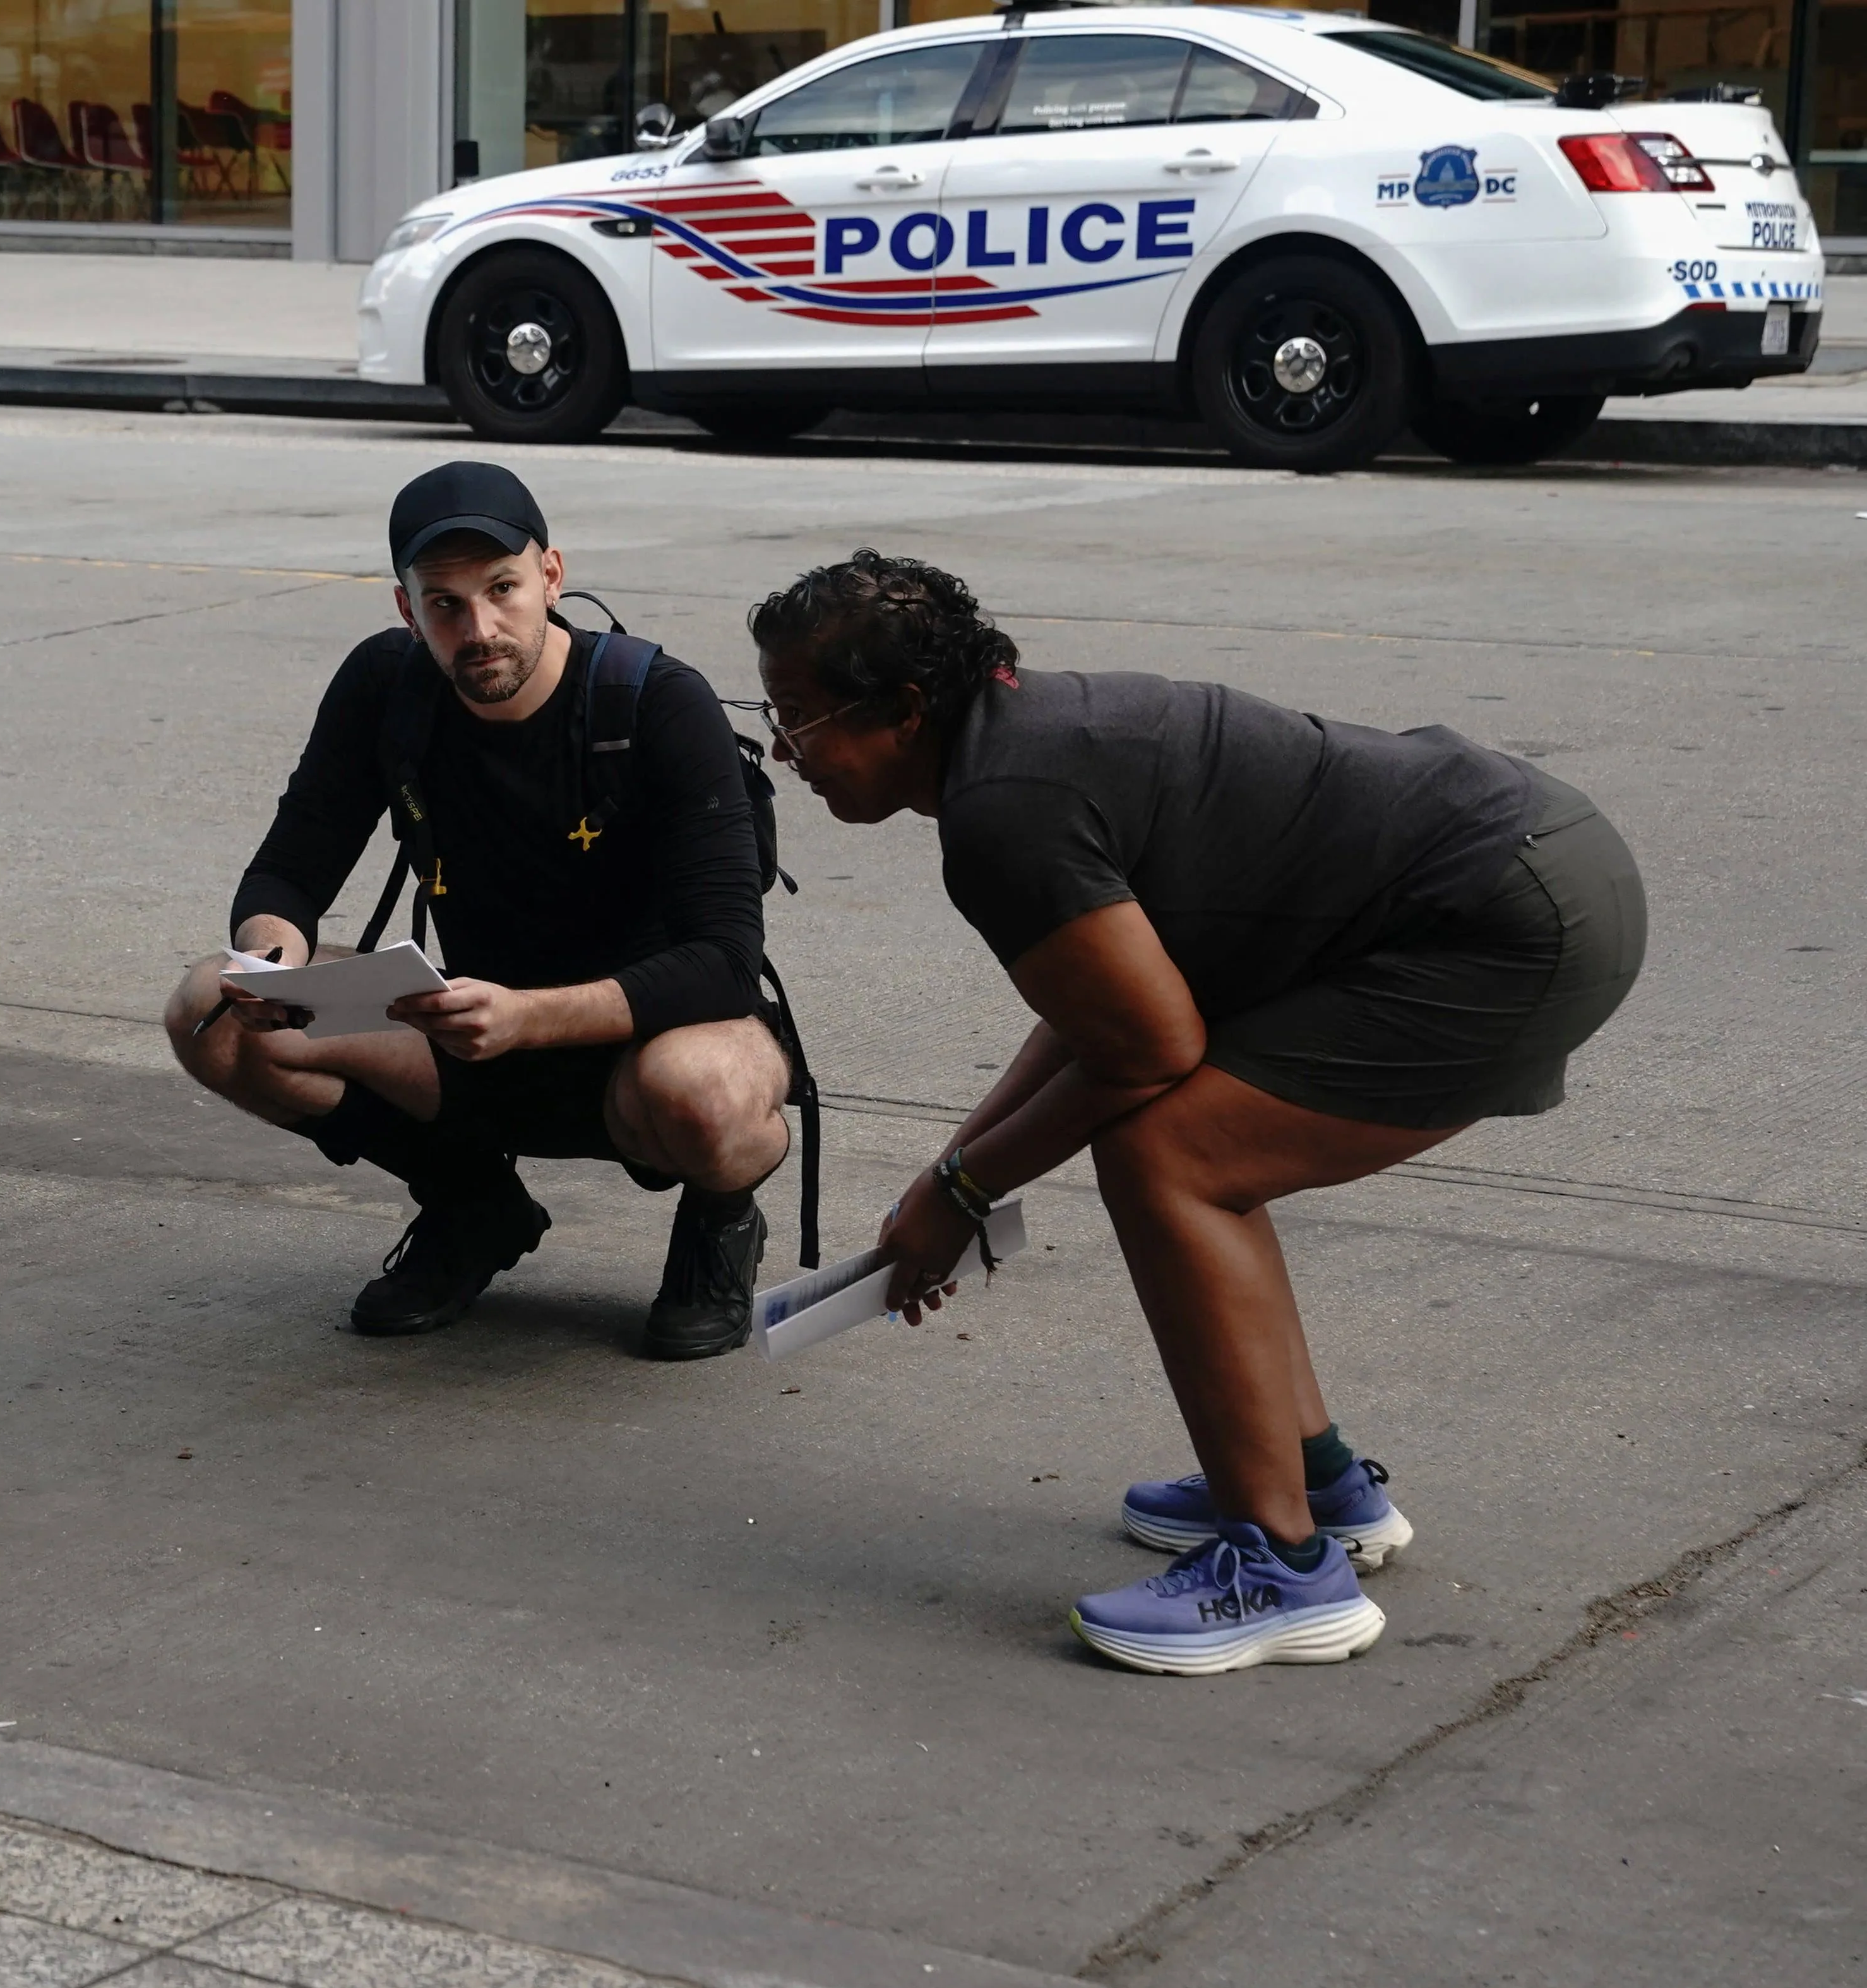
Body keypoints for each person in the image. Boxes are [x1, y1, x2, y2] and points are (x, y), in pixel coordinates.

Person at [747, 551, 1645, 1674]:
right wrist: (951, 1175)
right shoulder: (1023, 739)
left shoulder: (1001, 813)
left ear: (906, 708)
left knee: (1168, 1152)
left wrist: (964, 1190)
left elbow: (1145, 1050)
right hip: (1530, 858)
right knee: (1179, 1138)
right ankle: (1314, 1485)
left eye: (798, 717)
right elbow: (1102, 1007)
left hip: (1502, 920)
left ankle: (1280, 1569)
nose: (784, 752)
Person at [165, 463, 797, 1357]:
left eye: (501, 589)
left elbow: (723, 961)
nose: (479, 628)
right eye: (444, 604)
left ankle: (718, 1222)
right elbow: (291, 866)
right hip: (461, 1026)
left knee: (700, 1092)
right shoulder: (388, 685)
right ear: (405, 608)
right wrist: (269, 958)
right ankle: (472, 1207)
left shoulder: (654, 703)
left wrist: (526, 1016)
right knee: (208, 1011)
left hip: (640, 1040)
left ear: (549, 575)